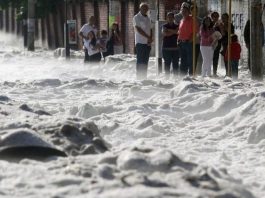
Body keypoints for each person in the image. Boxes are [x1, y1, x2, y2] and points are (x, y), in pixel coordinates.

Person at [133, 3, 153, 80]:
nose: (145, 10)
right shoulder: (136, 17)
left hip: (147, 43)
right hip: (140, 42)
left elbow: (150, 29)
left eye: (146, 9)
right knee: (140, 60)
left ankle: (144, 77)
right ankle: (139, 78)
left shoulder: (148, 18)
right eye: (143, 8)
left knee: (145, 61)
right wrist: (148, 37)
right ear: (140, 9)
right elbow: (138, 30)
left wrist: (151, 38)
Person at [178, 2, 198, 76]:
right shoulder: (181, 20)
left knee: (190, 60)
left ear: (188, 12)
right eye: (182, 11)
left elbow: (195, 32)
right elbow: (180, 31)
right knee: (183, 60)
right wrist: (179, 40)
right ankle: (183, 75)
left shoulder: (192, 20)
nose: (184, 13)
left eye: (185, 11)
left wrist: (190, 41)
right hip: (181, 43)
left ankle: (191, 75)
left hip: (188, 43)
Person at [162, 12, 179, 78]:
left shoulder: (177, 26)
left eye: (171, 17)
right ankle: (167, 78)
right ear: (167, 18)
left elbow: (177, 32)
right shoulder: (164, 26)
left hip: (175, 48)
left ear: (174, 18)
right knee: (167, 64)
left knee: (175, 64)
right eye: (169, 17)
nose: (170, 18)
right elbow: (165, 34)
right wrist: (174, 31)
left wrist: (169, 30)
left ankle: (175, 78)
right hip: (166, 48)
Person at [210, 11, 222, 76]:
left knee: (216, 57)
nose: (215, 18)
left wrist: (220, 26)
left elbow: (222, 34)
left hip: (217, 43)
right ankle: (208, 71)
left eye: (217, 16)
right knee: (209, 58)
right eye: (214, 16)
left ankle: (214, 72)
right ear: (212, 17)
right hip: (210, 43)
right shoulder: (209, 24)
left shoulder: (220, 24)